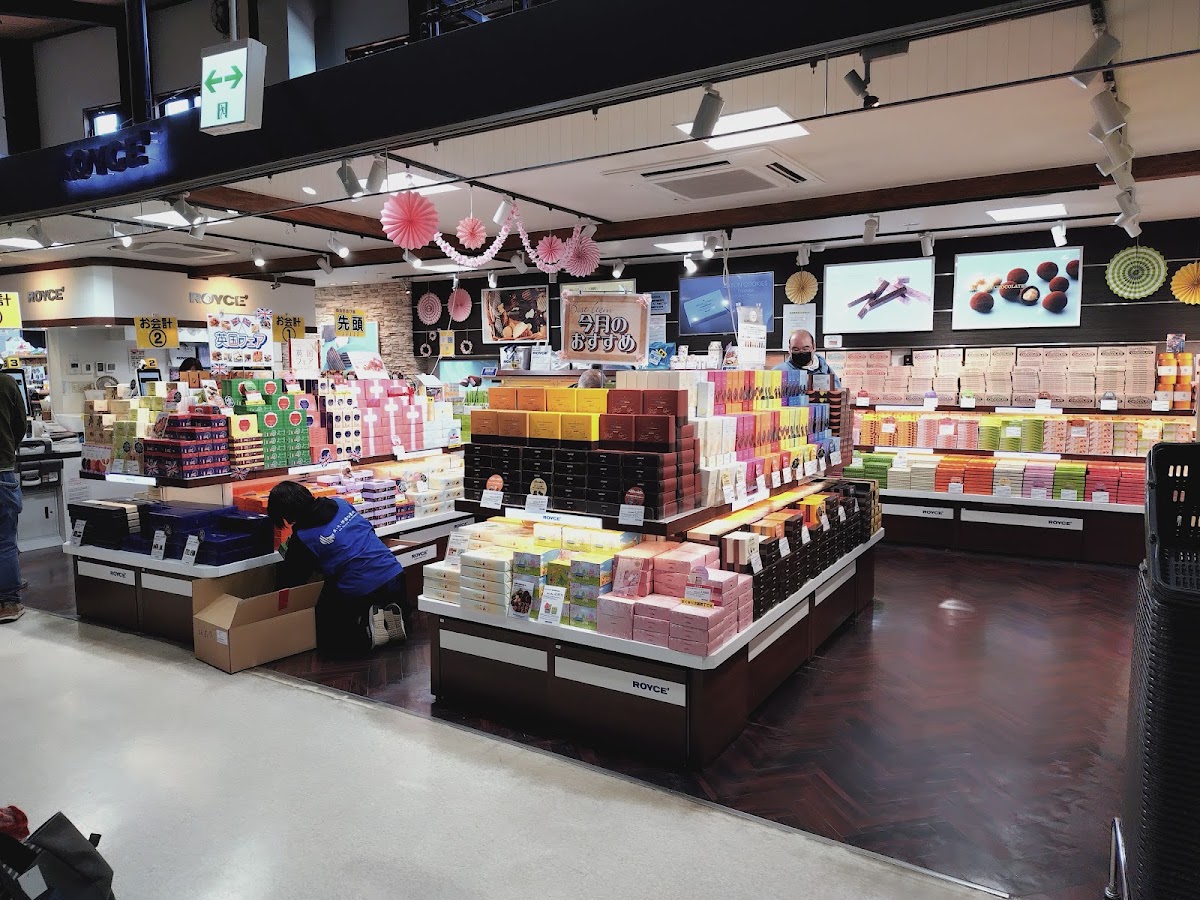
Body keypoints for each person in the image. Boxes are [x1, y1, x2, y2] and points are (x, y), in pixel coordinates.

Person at [268, 481, 407, 657]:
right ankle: (386, 614)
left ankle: (366, 629)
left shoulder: (303, 538)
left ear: (285, 514)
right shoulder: (340, 503)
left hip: (363, 588)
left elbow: (292, 580)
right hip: (394, 574)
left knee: (327, 629)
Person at [0, 373, 26, 623]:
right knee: (5, 539)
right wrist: (9, 447)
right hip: (2, 471)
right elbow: (21, 424)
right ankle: (8, 602)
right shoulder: (6, 383)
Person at [773, 329, 842, 388]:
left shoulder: (826, 371)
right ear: (789, 349)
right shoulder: (778, 372)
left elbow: (837, 394)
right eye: (796, 350)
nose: (801, 352)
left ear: (814, 347)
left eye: (805, 349)